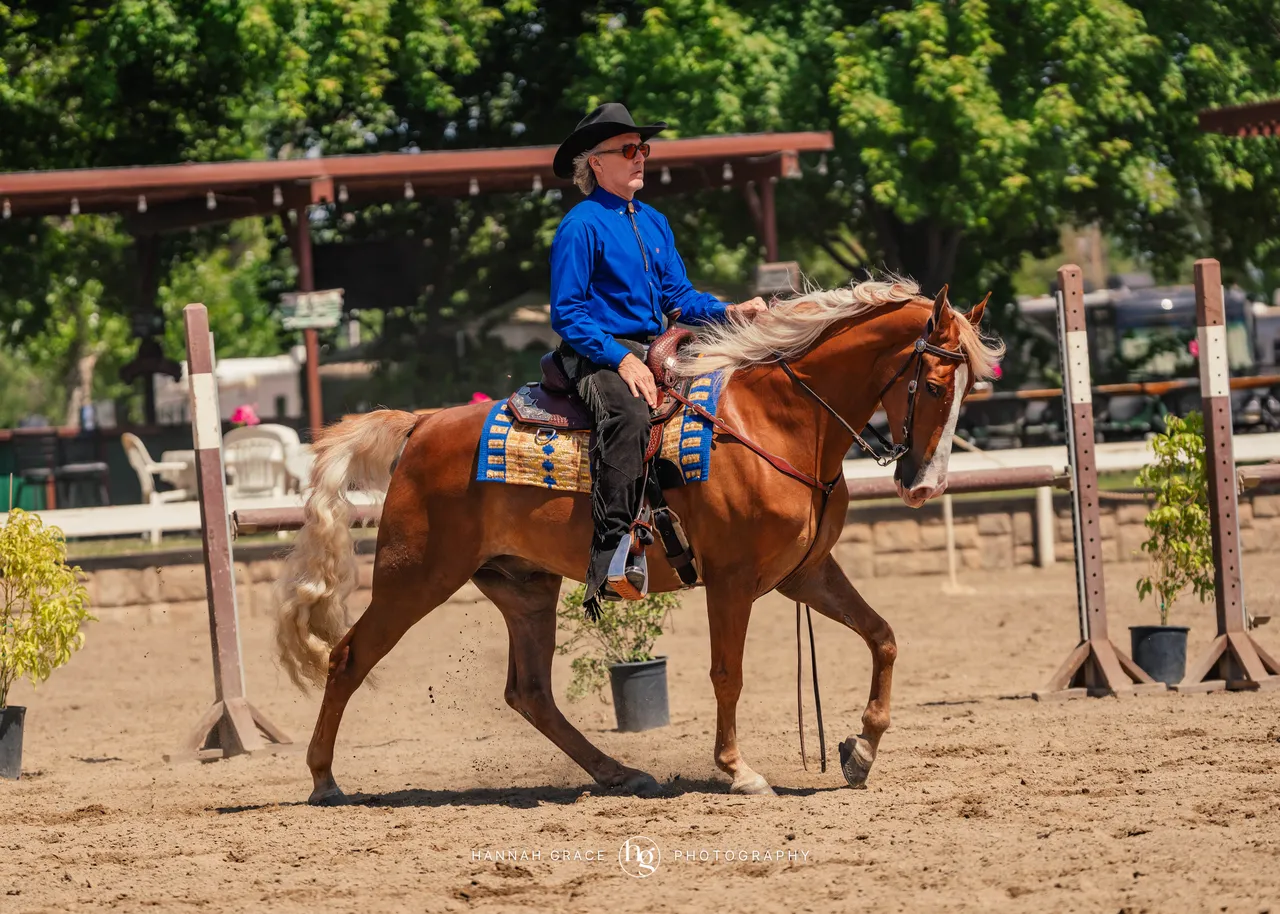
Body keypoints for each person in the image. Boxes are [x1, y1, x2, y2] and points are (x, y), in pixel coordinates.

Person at [549, 102, 768, 616]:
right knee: (627, 416)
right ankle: (612, 556)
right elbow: (568, 312)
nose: (640, 157)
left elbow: (679, 297)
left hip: (655, 350)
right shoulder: (580, 226)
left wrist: (729, 310)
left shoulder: (654, 221)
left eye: (642, 148)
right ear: (596, 163)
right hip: (595, 352)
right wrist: (620, 361)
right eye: (628, 150)